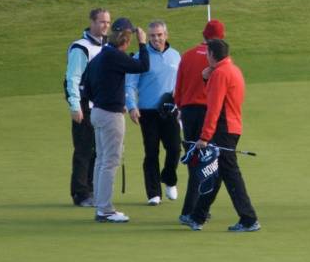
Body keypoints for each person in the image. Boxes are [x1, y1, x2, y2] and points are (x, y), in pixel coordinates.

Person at [184, 39, 260, 232]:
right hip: (232, 127)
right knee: (216, 173)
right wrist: (206, 78)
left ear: (211, 54)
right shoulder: (233, 70)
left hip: (223, 129)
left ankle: (249, 218)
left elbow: (214, 108)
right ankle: (198, 216)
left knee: (229, 174)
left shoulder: (220, 74)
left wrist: (204, 136)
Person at [84, 18, 150, 223]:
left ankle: (100, 204)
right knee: (110, 161)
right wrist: (143, 43)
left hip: (98, 113)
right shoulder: (115, 56)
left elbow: (87, 88)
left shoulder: (101, 56)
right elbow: (143, 66)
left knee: (102, 160)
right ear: (126, 39)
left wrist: (106, 100)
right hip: (110, 115)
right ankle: (105, 209)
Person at [174, 19, 227, 225]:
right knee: (206, 163)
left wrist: (179, 107)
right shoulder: (217, 60)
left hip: (188, 112)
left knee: (194, 160)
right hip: (207, 113)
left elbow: (178, 86)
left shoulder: (186, 55)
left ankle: (200, 205)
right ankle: (191, 210)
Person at [126, 20, 181, 206]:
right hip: (147, 112)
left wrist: (182, 107)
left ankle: (170, 179)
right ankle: (153, 193)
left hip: (170, 110)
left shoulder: (175, 56)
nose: (156, 38)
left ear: (166, 35)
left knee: (174, 149)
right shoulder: (140, 57)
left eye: (159, 35)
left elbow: (181, 84)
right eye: (152, 35)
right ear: (148, 37)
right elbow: (130, 84)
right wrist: (132, 106)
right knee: (151, 151)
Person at [64, 8, 110, 208]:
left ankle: (92, 189)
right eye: (101, 22)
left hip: (101, 103)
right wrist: (75, 106)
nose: (105, 26)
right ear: (92, 22)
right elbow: (72, 79)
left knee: (99, 150)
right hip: (84, 104)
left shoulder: (107, 46)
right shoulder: (80, 48)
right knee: (84, 149)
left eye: (108, 22)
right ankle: (80, 193)